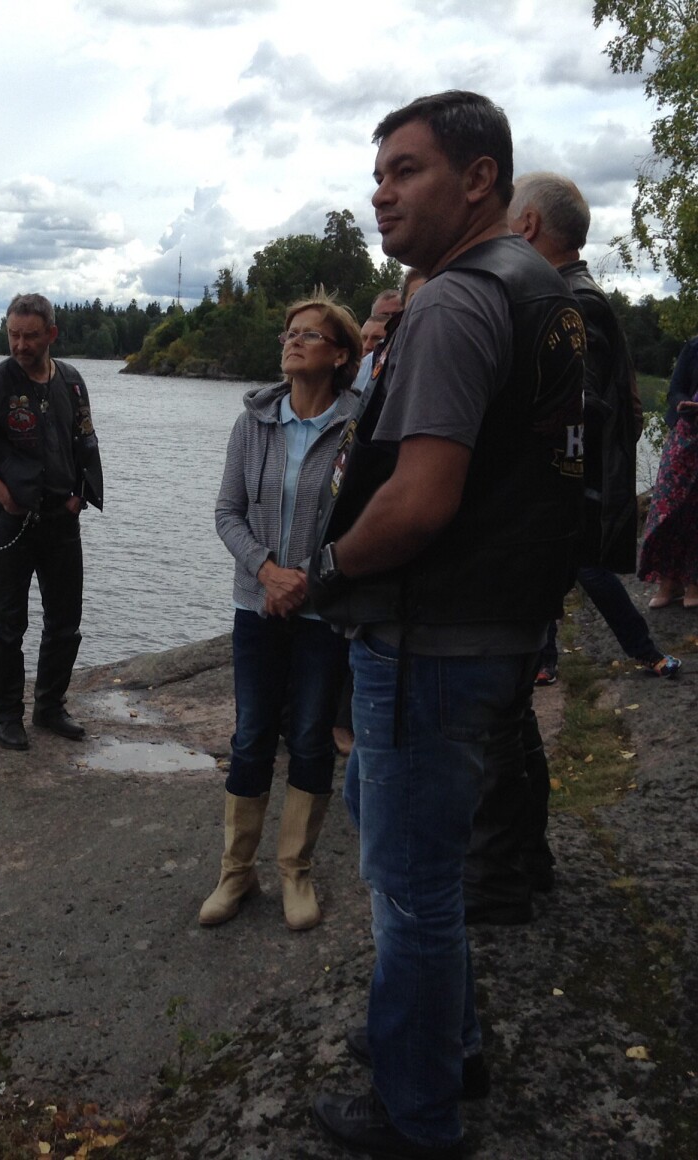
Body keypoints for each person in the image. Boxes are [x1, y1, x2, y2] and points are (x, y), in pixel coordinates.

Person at [308, 91, 584, 1159]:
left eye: (406, 170)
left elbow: (421, 500)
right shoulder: (540, 290)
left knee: (410, 888)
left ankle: (415, 1114)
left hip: (429, 639)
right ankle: (449, 1041)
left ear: (479, 180)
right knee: (404, 844)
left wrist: (326, 568)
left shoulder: (454, 303)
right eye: (377, 173)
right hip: (499, 627)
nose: (380, 192)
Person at [201, 290, 361, 931]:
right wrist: (267, 572)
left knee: (314, 735)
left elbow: (363, 525)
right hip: (257, 605)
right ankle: (235, 873)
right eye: (289, 333)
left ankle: (295, 871)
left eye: (309, 334)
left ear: (341, 354)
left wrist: (309, 583)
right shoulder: (253, 424)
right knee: (251, 734)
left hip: (325, 611)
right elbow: (226, 513)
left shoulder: (359, 428)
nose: (293, 341)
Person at [510, 171, 680, 683]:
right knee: (557, 562)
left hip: (572, 475)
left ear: (528, 224)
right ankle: (546, 660)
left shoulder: (572, 301)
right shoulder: (566, 292)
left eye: (507, 221)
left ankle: (642, 651)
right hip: (571, 473)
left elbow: (579, 400)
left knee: (580, 564)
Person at [0, 293, 103, 751]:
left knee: (65, 623)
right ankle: (7, 716)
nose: (20, 345)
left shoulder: (72, 382)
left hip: (61, 524)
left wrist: (81, 493)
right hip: (10, 526)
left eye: (30, 336)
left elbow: (85, 442)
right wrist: (5, 497)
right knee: (7, 626)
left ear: (51, 334)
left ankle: (49, 707)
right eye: (13, 335)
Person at [639, 334, 698, 608]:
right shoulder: (694, 347)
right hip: (685, 435)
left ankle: (694, 583)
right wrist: (683, 404)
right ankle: (669, 580)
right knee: (667, 507)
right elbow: (675, 390)